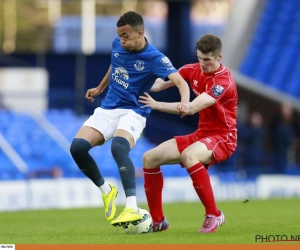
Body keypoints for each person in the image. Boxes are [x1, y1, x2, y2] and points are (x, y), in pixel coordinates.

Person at [69, 11, 190, 227]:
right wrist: (99, 88)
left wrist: (184, 103)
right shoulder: (118, 45)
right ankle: (107, 190)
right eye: (119, 35)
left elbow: (181, 82)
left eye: (125, 36)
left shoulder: (155, 58)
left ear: (140, 33)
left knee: (118, 147)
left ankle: (131, 208)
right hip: (108, 108)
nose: (121, 40)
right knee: (77, 148)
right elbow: (114, 65)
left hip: (134, 111)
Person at [139, 33, 238, 233]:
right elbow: (159, 84)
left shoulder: (223, 82)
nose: (202, 64)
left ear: (219, 58)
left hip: (224, 137)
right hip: (201, 134)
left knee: (189, 155)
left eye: (207, 60)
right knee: (149, 158)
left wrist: (156, 105)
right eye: (199, 58)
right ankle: (158, 221)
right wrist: (138, 81)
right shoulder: (191, 69)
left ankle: (214, 214)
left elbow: (191, 108)